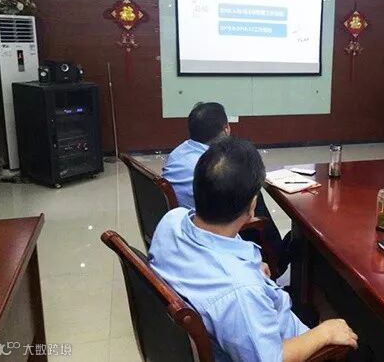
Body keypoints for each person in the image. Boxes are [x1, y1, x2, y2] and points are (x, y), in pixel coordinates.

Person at [149, 137, 358, 362]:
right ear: (252, 206)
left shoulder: (172, 220)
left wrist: (250, 268)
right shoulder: (242, 292)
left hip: (252, 313)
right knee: (362, 345)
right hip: (289, 345)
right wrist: (325, 333)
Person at [162, 102, 289, 274]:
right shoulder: (210, 166)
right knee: (249, 190)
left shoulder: (178, 152)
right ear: (226, 129)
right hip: (209, 234)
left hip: (185, 231)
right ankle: (277, 258)